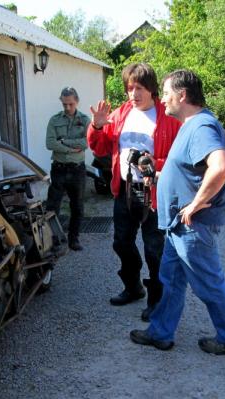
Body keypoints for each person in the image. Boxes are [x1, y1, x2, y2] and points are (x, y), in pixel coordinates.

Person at [129, 69, 225, 355]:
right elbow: (191, 172)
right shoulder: (190, 125)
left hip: (192, 225)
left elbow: (220, 167)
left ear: (182, 95)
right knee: (170, 280)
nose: (163, 99)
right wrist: (159, 179)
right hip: (177, 225)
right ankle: (161, 332)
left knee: (208, 282)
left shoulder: (202, 126)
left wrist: (194, 204)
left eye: (167, 94)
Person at [88, 63, 181, 320]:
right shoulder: (121, 114)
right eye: (130, 88)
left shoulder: (168, 117)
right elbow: (100, 148)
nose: (133, 94)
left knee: (154, 249)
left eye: (139, 88)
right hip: (126, 190)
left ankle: (156, 300)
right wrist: (96, 127)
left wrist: (156, 163)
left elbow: (180, 158)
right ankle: (133, 286)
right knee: (121, 242)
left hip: (155, 193)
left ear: (151, 89)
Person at [46, 87, 91, 251]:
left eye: (70, 104)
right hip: (58, 169)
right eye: (64, 104)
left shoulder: (85, 120)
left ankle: (74, 239)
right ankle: (53, 240)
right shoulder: (54, 120)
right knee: (52, 207)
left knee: (77, 207)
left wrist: (64, 142)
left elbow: (87, 143)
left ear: (76, 102)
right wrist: (72, 148)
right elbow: (50, 144)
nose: (67, 108)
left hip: (77, 170)